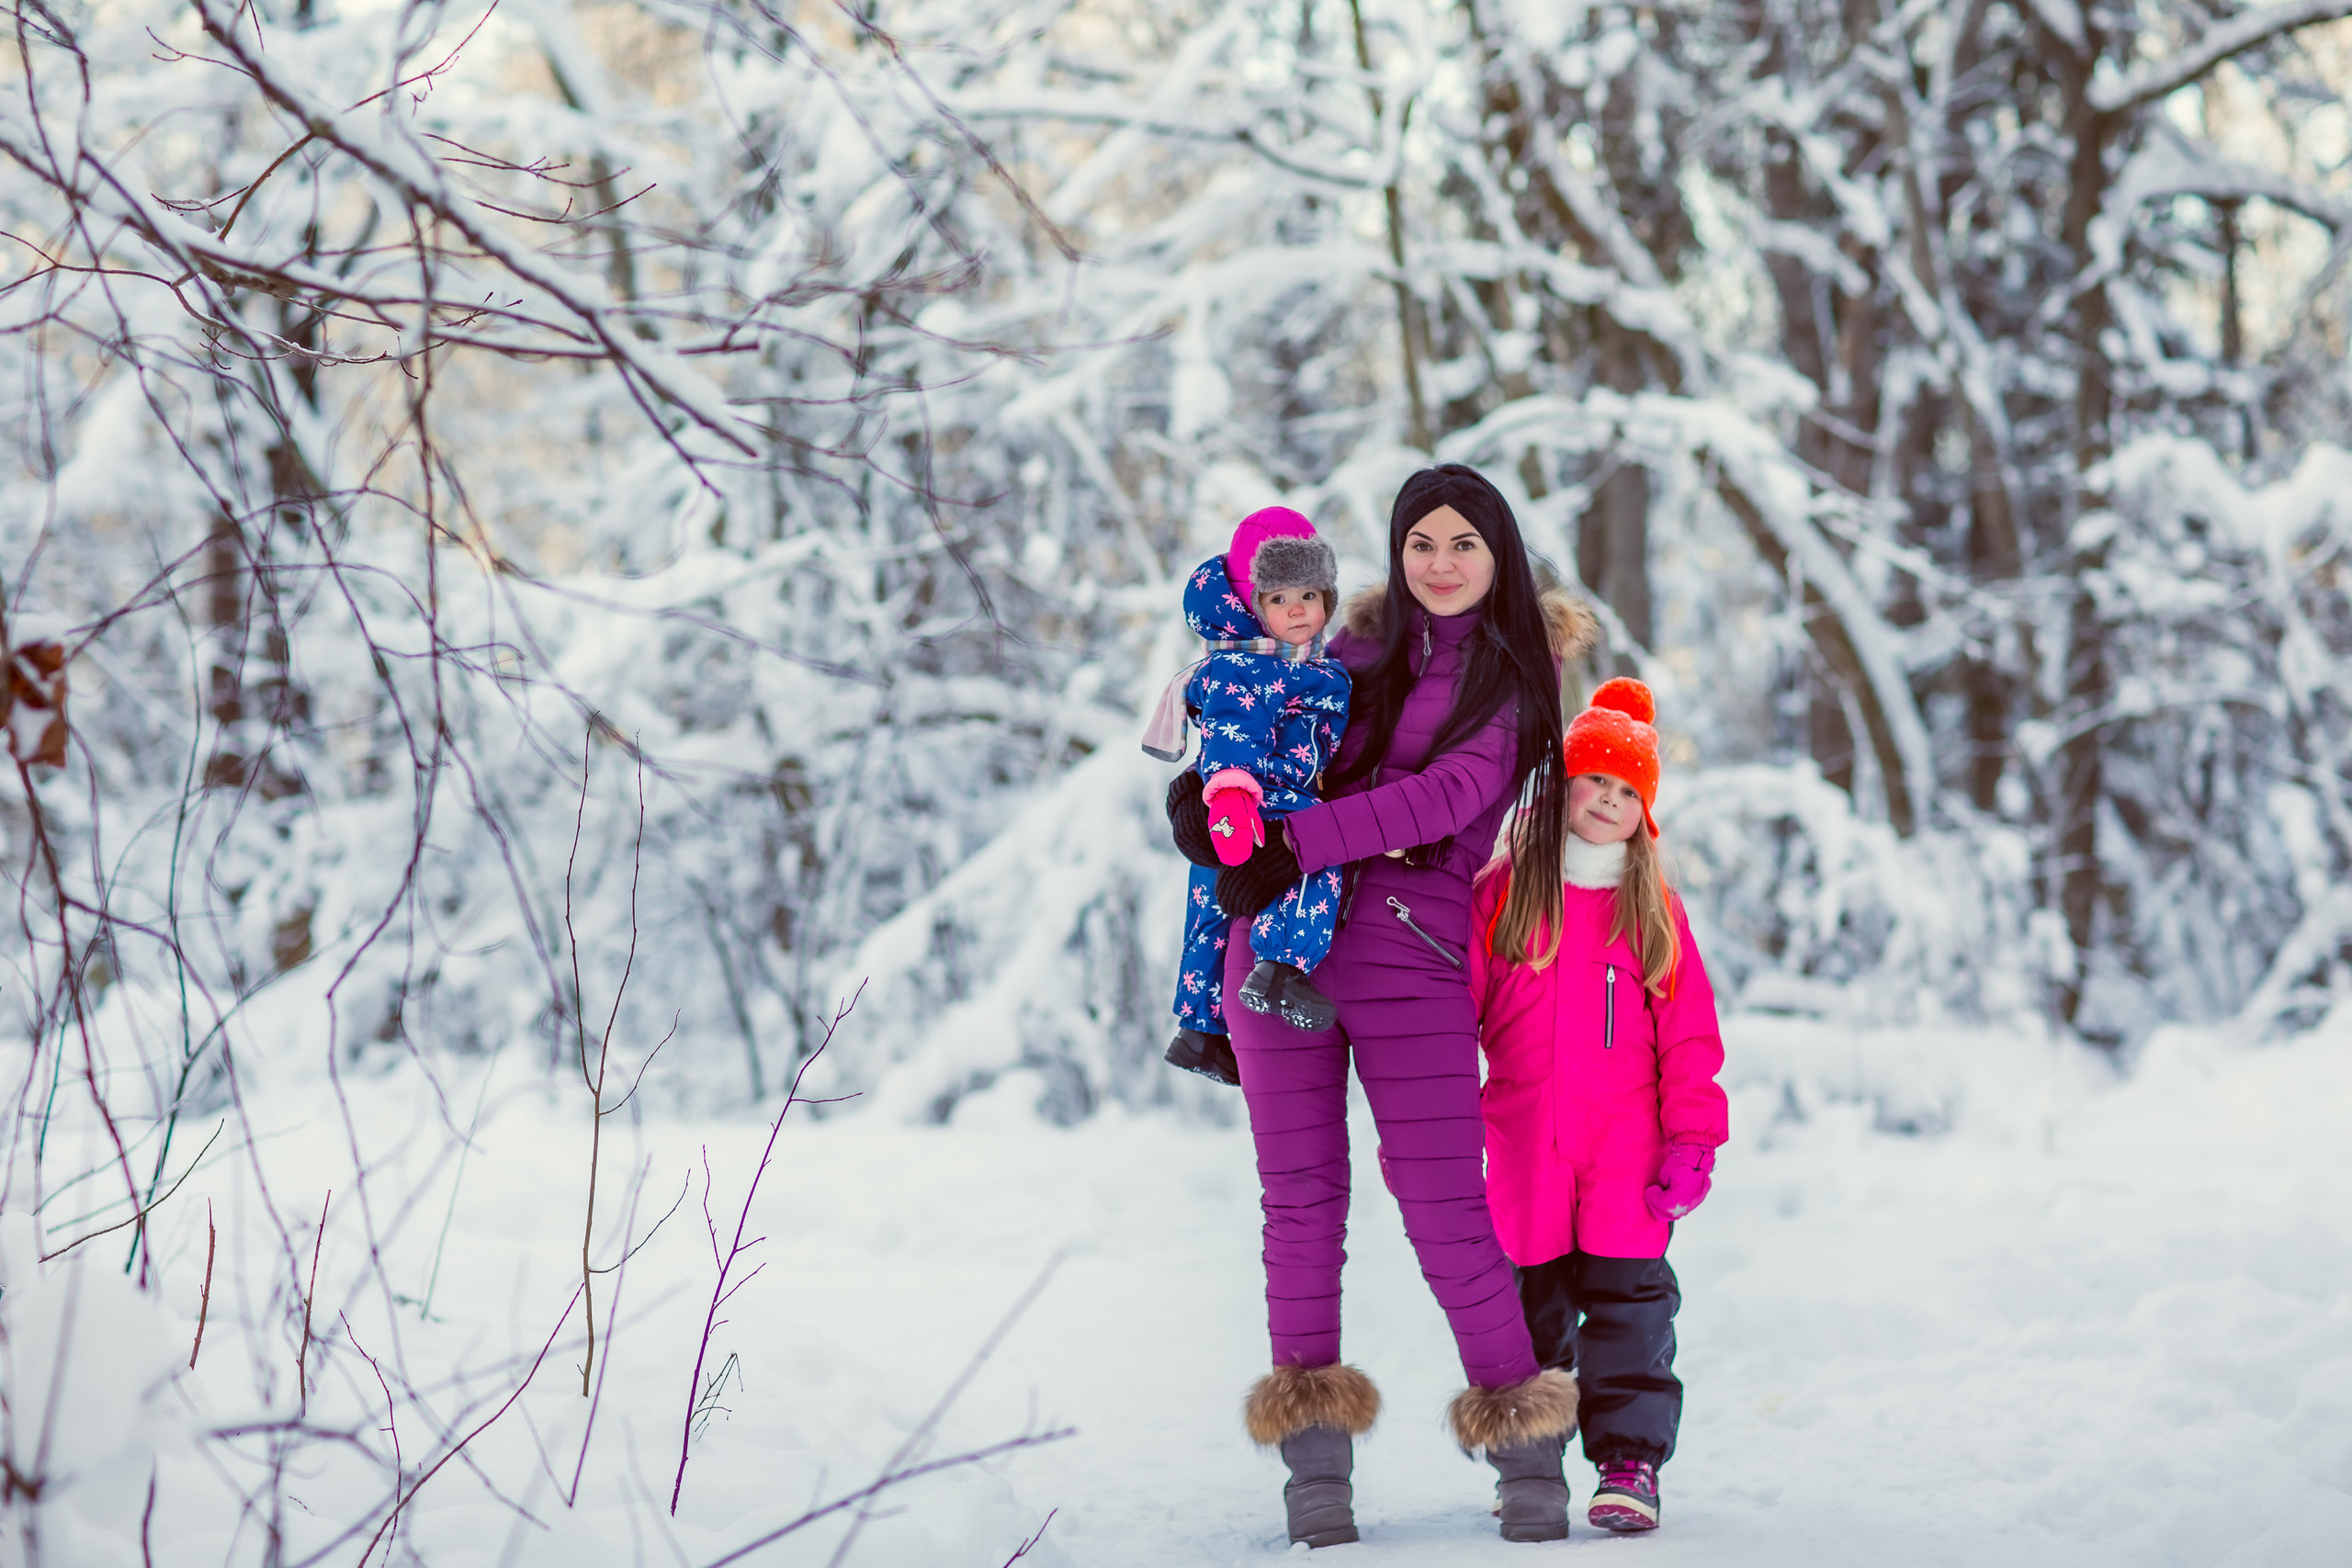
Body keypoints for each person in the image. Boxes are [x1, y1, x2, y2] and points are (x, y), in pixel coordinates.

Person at [1171, 465, 1597, 1546]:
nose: (1441, 563)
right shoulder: (1343, 649)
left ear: (1497, 556)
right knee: (1300, 1202)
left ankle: (1525, 1452)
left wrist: (1290, 840)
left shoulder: (1519, 673)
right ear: (1396, 554)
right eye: (1421, 543)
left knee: (1445, 1203)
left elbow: (1451, 794)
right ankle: (1314, 1468)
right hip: (1277, 948)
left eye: (1463, 543)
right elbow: (1258, 734)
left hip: (1409, 946)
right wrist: (1202, 799)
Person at [1467, 676, 1730, 1536]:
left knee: (1631, 1307)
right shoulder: (1502, 892)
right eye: (1596, 782)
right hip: (1522, 1145)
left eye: (1629, 790)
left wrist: (1693, 1137)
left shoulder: (1653, 910)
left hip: (1626, 1151)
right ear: (1564, 786)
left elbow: (1691, 1038)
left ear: (1645, 810)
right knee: (1524, 1307)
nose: (1610, 800)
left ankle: (1629, 1461)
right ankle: (1529, 1459)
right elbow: (1448, 1015)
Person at [1147, 508, 1352, 1086]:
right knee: (1319, 858)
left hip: (1244, 799)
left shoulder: (1295, 664)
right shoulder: (1251, 668)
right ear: (1251, 604)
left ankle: (1199, 1030)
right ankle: (1282, 967)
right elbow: (1236, 735)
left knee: (1211, 907)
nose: (1297, 609)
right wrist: (1233, 799)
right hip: (1265, 800)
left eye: (1310, 594)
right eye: (1279, 596)